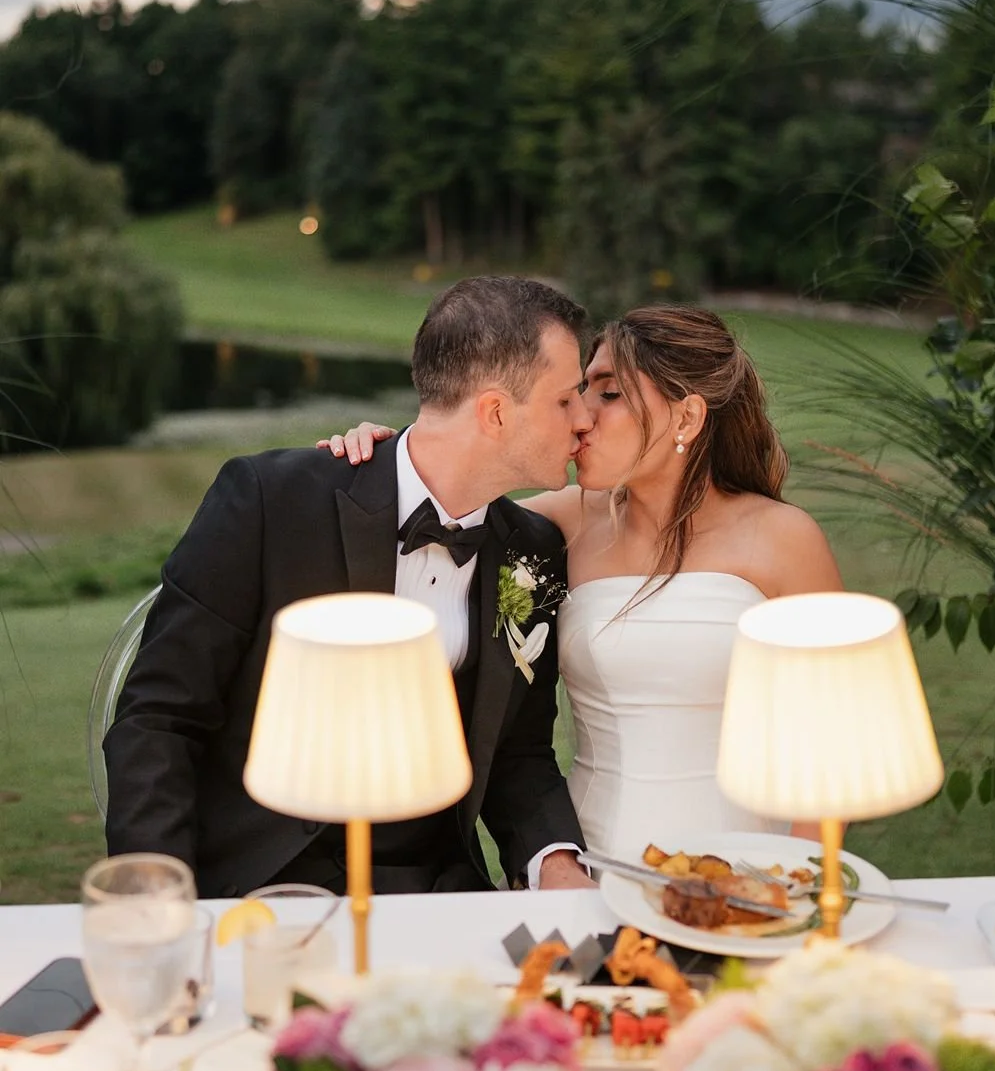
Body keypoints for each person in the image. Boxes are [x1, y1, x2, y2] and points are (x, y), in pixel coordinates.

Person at [105, 276, 596, 897]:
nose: (584, 420)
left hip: (437, 892)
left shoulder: (533, 551)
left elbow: (519, 752)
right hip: (263, 886)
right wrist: (158, 894)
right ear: (495, 412)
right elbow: (160, 718)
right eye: (566, 399)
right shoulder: (272, 502)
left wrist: (557, 863)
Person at [323, 304, 843, 863]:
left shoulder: (785, 539)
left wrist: (805, 878)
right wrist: (371, 463)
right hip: (587, 867)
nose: (581, 418)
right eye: (576, 393)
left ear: (688, 417)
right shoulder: (556, 527)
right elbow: (432, 501)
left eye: (608, 393)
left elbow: (836, 739)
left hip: (747, 867)